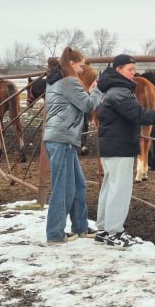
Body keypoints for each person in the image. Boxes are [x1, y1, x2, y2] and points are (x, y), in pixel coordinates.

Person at [95, 54, 155, 247]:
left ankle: (103, 229)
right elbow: (139, 115)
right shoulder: (120, 91)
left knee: (109, 187)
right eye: (130, 70)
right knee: (120, 190)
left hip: (110, 145)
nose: (133, 73)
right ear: (118, 69)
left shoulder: (107, 89)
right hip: (121, 146)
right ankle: (115, 232)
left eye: (134, 70)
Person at [44, 47, 103, 245]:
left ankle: (80, 226)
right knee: (62, 187)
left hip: (62, 138)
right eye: (80, 65)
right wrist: (97, 90)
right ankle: (55, 233)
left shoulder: (57, 80)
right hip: (62, 139)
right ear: (71, 63)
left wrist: (88, 92)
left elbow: (77, 100)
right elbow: (87, 105)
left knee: (78, 183)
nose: (82, 68)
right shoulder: (69, 81)